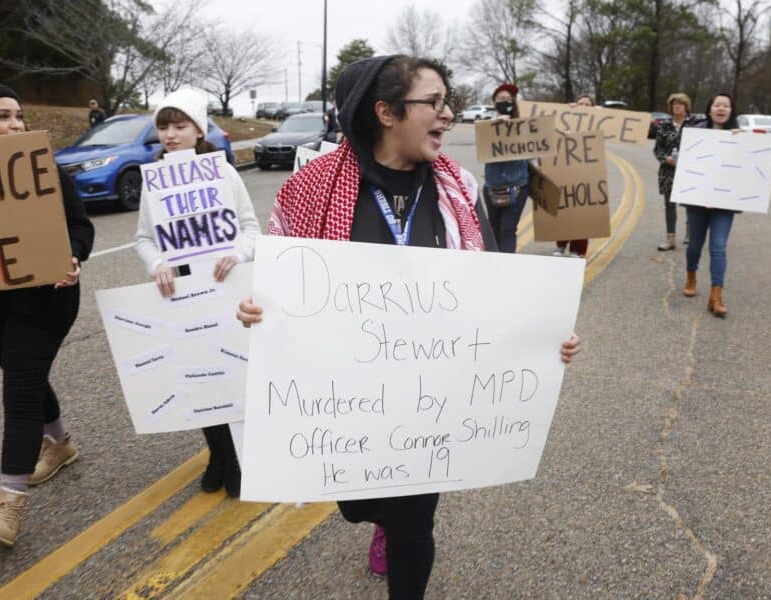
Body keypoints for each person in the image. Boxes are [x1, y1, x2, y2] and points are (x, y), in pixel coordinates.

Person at [235, 55, 581, 599]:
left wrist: (541, 338)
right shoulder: (311, 190)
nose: (447, 115)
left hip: (431, 402)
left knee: (414, 523)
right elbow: (280, 291)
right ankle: (378, 515)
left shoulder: (457, 190)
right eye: (433, 103)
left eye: (449, 103)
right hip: (348, 399)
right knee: (358, 504)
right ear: (386, 112)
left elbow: (494, 288)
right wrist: (258, 310)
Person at [0, 82, 95, 547]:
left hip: (46, 299)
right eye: (3, 116)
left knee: (20, 388)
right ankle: (61, 442)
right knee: (21, 373)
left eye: (19, 116)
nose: (16, 124)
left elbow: (80, 227)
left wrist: (72, 256)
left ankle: (7, 506)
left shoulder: (46, 168)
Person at [135, 88, 261, 496]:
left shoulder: (222, 171)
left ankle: (240, 459)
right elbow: (144, 238)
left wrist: (239, 255)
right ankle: (217, 454)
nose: (170, 134)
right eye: (163, 126)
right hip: (182, 292)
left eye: (179, 125)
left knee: (229, 371)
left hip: (224, 286)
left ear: (198, 130)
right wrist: (158, 264)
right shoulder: (153, 179)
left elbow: (250, 227)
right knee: (197, 373)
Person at [679, 92, 740, 317]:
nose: (721, 108)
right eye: (717, 105)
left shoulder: (740, 136)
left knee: (718, 246)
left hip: (723, 204)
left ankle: (716, 296)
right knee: (695, 244)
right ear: (710, 109)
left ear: (731, 111)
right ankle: (691, 275)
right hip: (697, 201)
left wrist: (742, 142)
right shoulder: (696, 133)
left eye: (726, 105)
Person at [483, 82, 529, 253]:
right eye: (501, 99)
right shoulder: (487, 124)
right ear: (495, 102)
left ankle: (507, 268)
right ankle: (493, 266)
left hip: (517, 186)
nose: (505, 102)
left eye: (509, 99)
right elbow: (482, 143)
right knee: (493, 229)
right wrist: (495, 124)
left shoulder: (524, 125)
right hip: (492, 186)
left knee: (507, 230)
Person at [652, 93, 693, 251]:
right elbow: (657, 149)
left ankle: (690, 234)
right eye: (675, 104)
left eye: (681, 104)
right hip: (668, 171)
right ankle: (670, 239)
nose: (677, 106)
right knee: (669, 204)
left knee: (690, 204)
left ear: (686, 107)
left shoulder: (694, 125)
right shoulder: (664, 125)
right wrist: (665, 159)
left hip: (688, 171)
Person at [556, 93, 594, 257]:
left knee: (583, 213)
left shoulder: (596, 123)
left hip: (588, 172)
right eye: (580, 104)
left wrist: (602, 113)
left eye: (587, 105)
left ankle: (578, 249)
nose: (584, 107)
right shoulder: (565, 122)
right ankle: (561, 245)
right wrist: (566, 112)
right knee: (564, 210)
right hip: (566, 171)